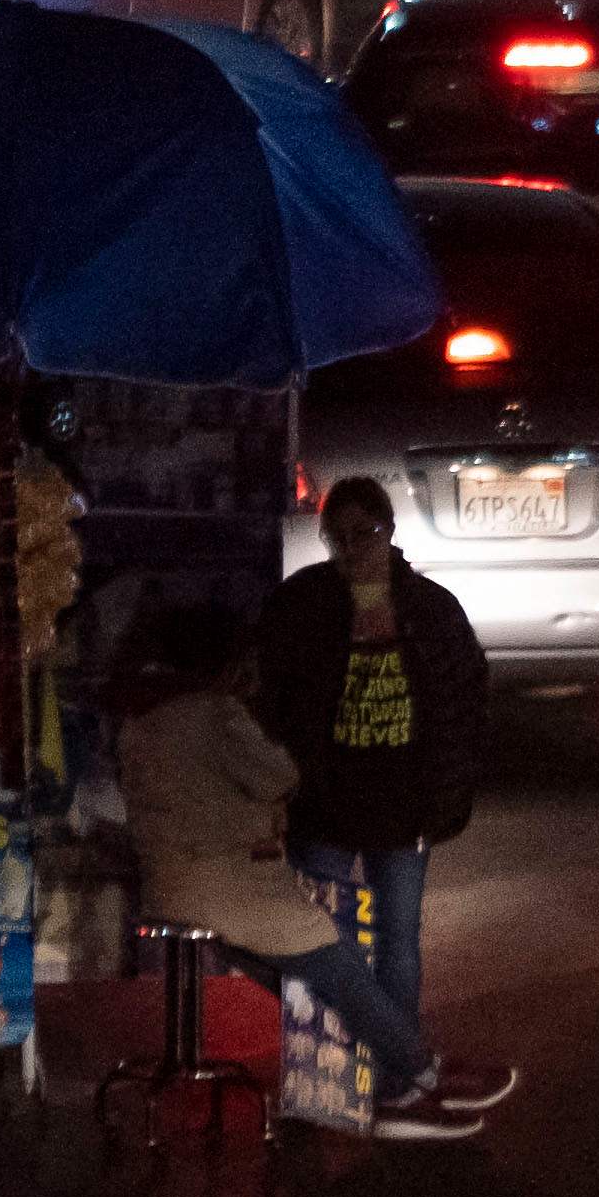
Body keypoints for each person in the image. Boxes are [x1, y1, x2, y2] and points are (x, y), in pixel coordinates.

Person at [113, 613, 486, 1142]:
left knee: (306, 979)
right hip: (227, 889)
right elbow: (278, 777)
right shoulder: (215, 714)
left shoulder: (140, 718)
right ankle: (417, 1074)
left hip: (169, 889)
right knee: (339, 965)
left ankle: (380, 1088)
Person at [250, 479, 505, 1109]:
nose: (353, 548)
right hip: (325, 802)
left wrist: (450, 783)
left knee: (399, 938)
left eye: (366, 533)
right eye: (339, 536)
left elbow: (466, 693)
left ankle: (393, 1080)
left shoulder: (429, 607)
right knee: (321, 942)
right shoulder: (302, 604)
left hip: (406, 801)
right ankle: (330, 1080)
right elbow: (271, 698)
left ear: (390, 532)